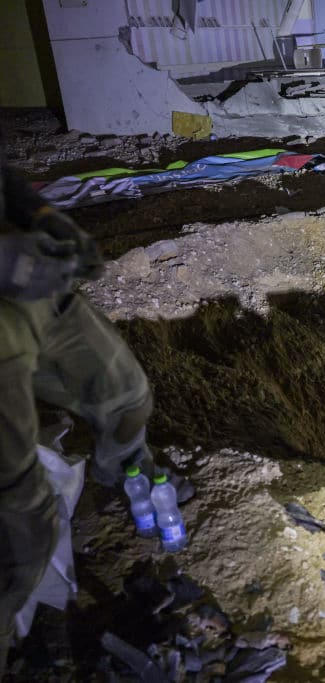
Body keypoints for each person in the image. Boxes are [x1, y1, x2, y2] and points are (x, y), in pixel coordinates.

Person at [0, 161, 160, 675]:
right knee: (24, 523)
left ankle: (128, 481)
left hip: (22, 285)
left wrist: (41, 214)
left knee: (125, 398)